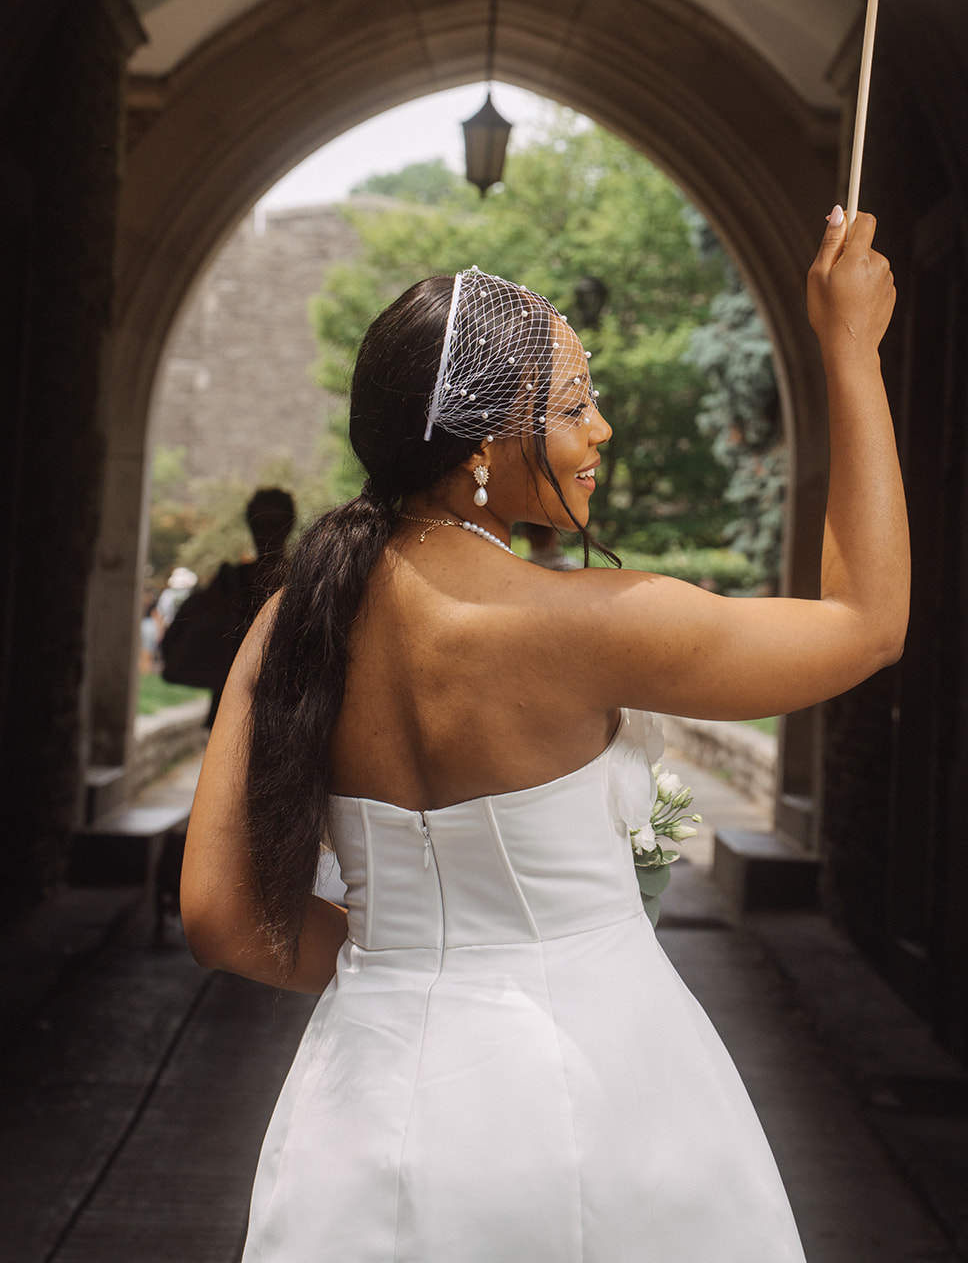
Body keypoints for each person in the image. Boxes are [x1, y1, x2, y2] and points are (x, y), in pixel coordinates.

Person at [181, 207, 908, 1262]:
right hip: (602, 1092)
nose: (600, 429)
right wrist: (849, 348)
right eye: (573, 405)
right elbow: (865, 627)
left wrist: (413, 964)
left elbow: (219, 916)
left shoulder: (287, 621)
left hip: (361, 1112)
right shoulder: (584, 625)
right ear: (483, 442)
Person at [161, 489, 296, 723]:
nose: (265, 533)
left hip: (286, 703)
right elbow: (182, 630)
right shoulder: (229, 581)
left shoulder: (303, 579)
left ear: (288, 527)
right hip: (232, 700)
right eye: (259, 525)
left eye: (274, 524)